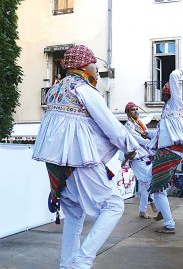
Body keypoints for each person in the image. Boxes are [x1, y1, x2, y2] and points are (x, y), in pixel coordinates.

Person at [32, 45, 140, 268]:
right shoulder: (84, 89)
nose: (96, 67)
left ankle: (68, 264)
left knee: (74, 214)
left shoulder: (55, 90)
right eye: (93, 63)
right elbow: (110, 126)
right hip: (78, 159)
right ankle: (82, 261)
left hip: (56, 165)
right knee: (114, 205)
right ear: (83, 65)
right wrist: (130, 145)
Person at [147, 67, 183, 234]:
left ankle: (169, 223)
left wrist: (182, 70)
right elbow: (158, 135)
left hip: (169, 152)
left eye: (166, 93)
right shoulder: (167, 112)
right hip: (167, 151)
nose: (164, 96)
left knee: (157, 189)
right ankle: (162, 210)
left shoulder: (176, 103)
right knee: (148, 179)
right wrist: (144, 133)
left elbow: (173, 75)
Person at [122, 101, 157, 219]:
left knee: (144, 184)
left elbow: (145, 122)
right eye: (133, 110)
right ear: (127, 113)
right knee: (147, 182)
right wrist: (155, 143)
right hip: (137, 159)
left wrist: (151, 116)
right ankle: (150, 202)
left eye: (137, 109)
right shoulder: (128, 126)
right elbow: (140, 139)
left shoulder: (139, 123)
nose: (136, 111)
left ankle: (143, 209)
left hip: (145, 158)